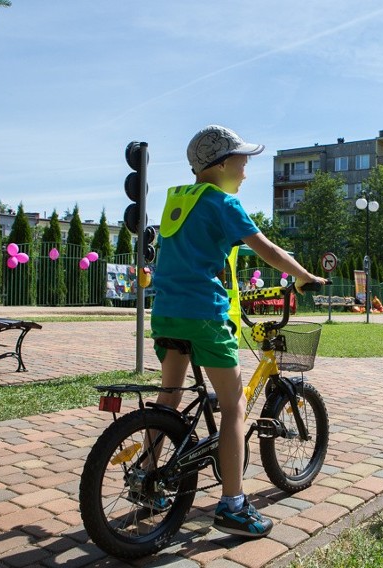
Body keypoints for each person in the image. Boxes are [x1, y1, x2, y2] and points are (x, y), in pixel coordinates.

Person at [151, 125, 326, 539]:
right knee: (234, 408)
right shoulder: (222, 203)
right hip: (204, 315)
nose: (246, 170)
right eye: (243, 161)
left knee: (168, 400)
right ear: (222, 164)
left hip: (167, 312)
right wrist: (303, 277)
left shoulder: (178, 199)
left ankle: (151, 480)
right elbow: (266, 249)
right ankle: (232, 505)